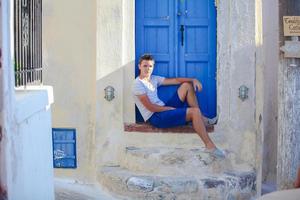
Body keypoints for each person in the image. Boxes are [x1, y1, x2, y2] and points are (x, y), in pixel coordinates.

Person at [132, 54, 225, 159]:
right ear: (139, 66)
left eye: (150, 66)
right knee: (194, 112)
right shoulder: (138, 84)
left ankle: (202, 119)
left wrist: (193, 79)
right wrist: (168, 109)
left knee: (186, 86)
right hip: (156, 117)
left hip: (163, 110)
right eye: (145, 66)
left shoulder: (153, 79)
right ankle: (210, 146)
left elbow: (175, 80)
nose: (148, 69)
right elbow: (150, 107)